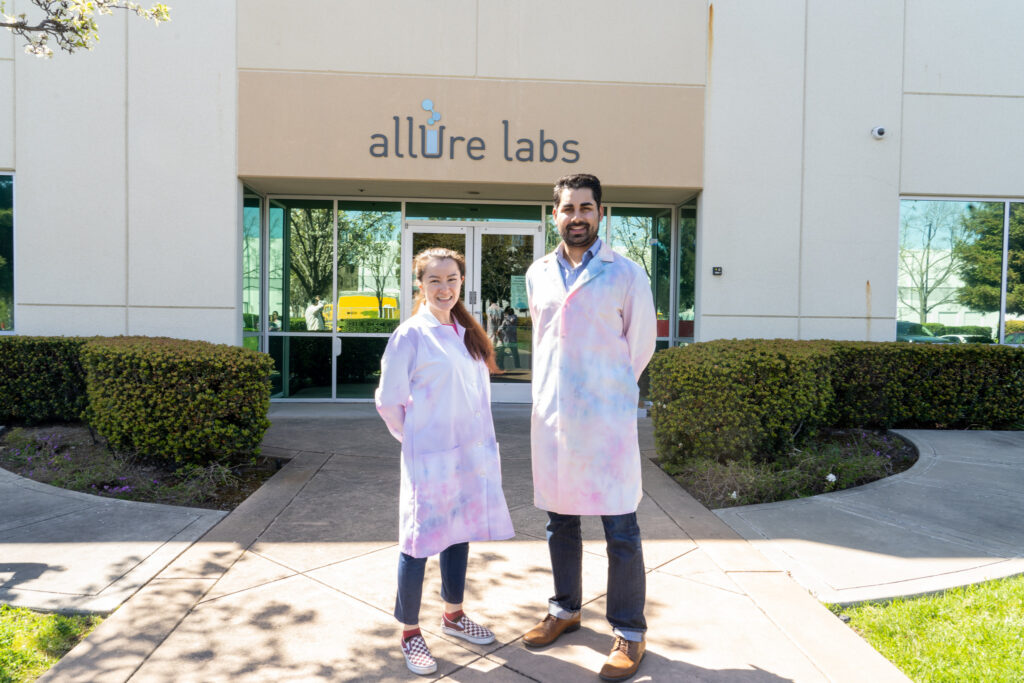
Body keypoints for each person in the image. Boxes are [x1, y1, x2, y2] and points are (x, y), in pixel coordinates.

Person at [522, 173, 656, 681]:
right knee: (561, 521)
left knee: (620, 527)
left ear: (601, 212)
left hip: (606, 423)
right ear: (552, 214)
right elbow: (546, 343)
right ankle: (565, 609)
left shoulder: (626, 273)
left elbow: (639, 347)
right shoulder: (538, 274)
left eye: (586, 207)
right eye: (567, 208)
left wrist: (609, 393)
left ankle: (629, 631)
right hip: (555, 421)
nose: (576, 216)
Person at [376, 247, 515, 676]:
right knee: (417, 542)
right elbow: (388, 401)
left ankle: (453, 616)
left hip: (468, 453)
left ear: (461, 283)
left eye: (451, 279)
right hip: (430, 457)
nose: (444, 288)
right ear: (420, 286)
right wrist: (415, 440)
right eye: (434, 280)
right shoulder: (410, 336)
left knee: (459, 532)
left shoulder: (464, 332)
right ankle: (410, 632)